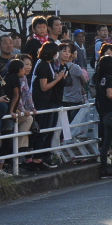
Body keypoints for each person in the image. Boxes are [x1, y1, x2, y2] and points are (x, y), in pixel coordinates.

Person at [31, 41, 67, 170]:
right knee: (42, 130)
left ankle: (43, 156)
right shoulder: (43, 66)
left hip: (47, 101)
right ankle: (37, 158)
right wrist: (57, 79)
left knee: (48, 130)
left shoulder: (48, 64)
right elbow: (44, 86)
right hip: (41, 102)